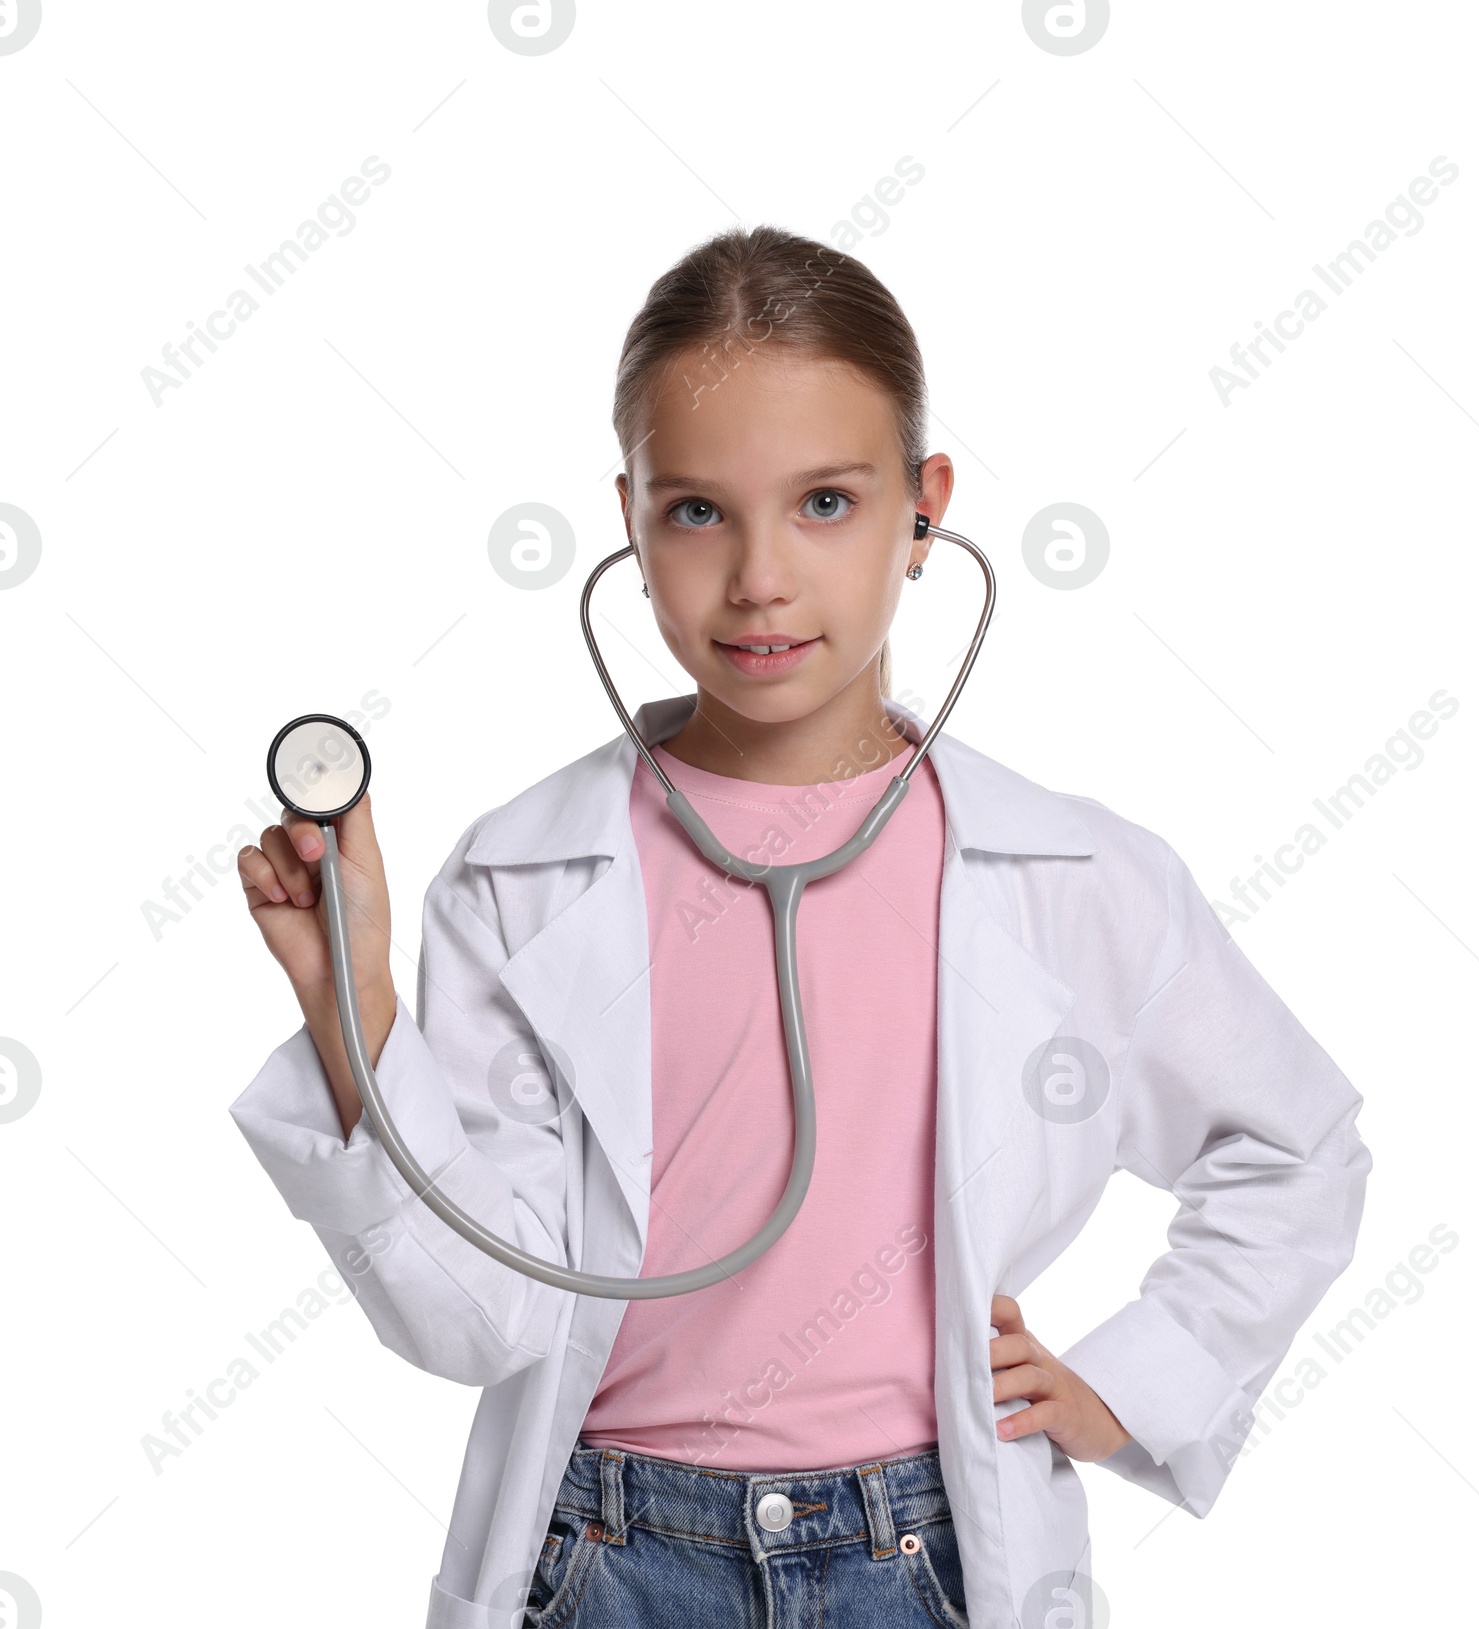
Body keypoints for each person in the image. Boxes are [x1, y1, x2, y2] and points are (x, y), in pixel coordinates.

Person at [231, 225, 1372, 1629]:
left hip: (925, 1557)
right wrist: (356, 1015)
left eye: (826, 502)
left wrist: (1137, 1383)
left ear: (924, 509)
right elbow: (480, 1317)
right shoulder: (523, 875)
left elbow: (1296, 1145)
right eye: (698, 511)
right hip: (609, 1555)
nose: (761, 576)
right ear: (633, 520)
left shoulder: (1071, 870)